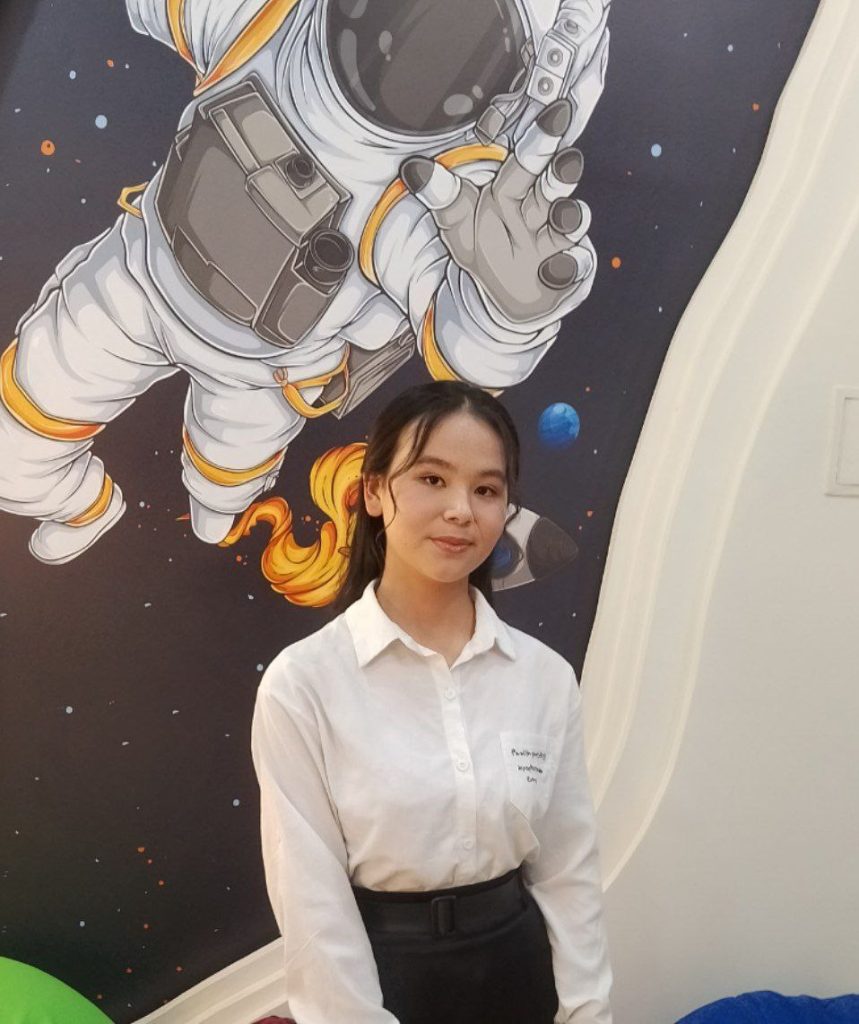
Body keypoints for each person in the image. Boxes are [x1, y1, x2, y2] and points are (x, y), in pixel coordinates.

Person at [251, 380, 613, 1024]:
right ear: (373, 492)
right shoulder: (304, 685)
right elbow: (311, 901)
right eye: (431, 479)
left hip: (519, 973)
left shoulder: (544, 679)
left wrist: (586, 1010)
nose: (460, 511)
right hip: (386, 981)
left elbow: (567, 871)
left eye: (486, 489)